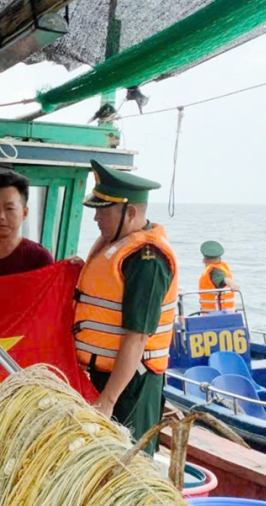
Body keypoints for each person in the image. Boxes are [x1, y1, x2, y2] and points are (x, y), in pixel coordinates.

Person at [72, 160, 179, 456]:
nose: (95, 218)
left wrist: (108, 401)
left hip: (131, 385)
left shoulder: (147, 261)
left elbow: (137, 337)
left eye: (103, 210)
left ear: (130, 212)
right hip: (102, 375)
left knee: (126, 463)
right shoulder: (114, 245)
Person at [197, 240, 238, 313]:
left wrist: (232, 284)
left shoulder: (214, 271)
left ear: (205, 260)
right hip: (228, 313)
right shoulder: (222, 267)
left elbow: (223, 279)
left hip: (215, 314)